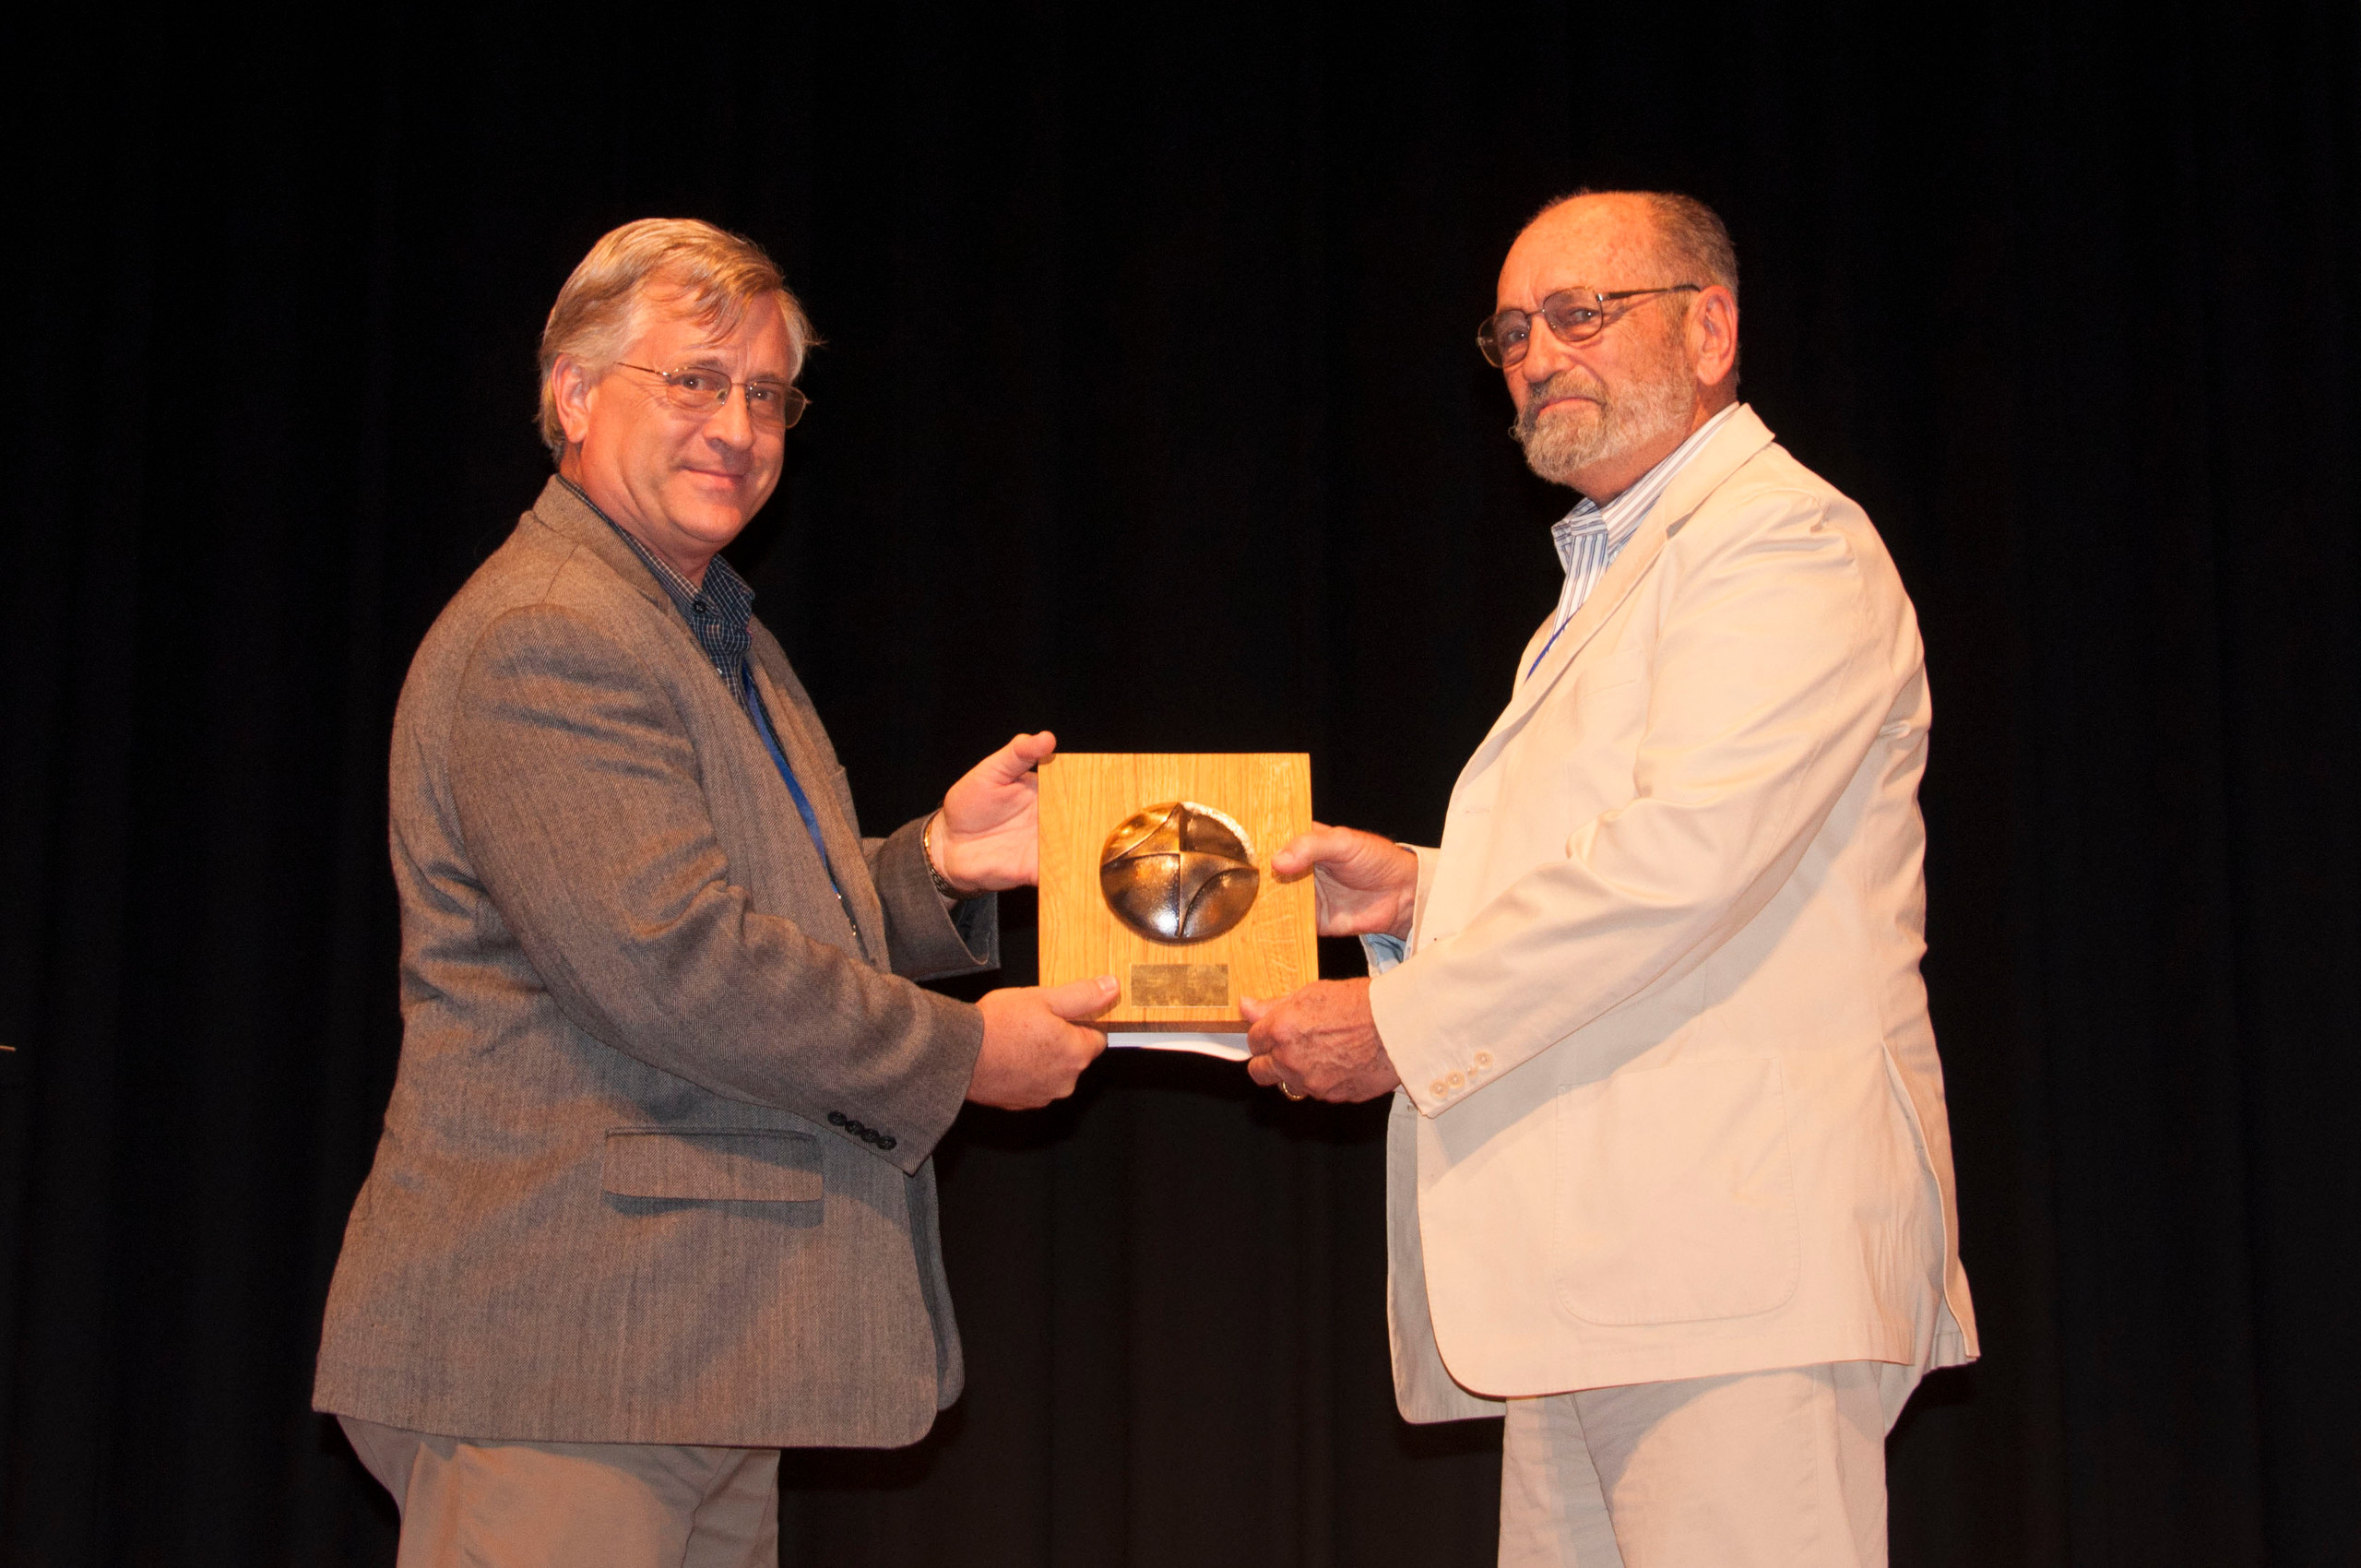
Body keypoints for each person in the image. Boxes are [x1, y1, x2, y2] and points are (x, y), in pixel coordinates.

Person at [314, 218, 1113, 1566]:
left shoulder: (700, 626)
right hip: (565, 1359)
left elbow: (743, 911)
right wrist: (968, 1054)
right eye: (692, 379)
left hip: (684, 1353)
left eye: (763, 394)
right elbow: (676, 960)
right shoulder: (551, 633)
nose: (735, 425)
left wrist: (939, 868)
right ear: (573, 392)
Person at [1243, 190, 1977, 1566]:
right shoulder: (1627, 564)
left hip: (1732, 1267)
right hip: (1613, 1272)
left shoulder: (1782, 542)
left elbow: (1681, 866)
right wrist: (1413, 891)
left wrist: (1401, 1025)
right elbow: (1628, 858)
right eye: (1513, 330)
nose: (1536, 354)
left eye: (1582, 313)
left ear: (1711, 328)